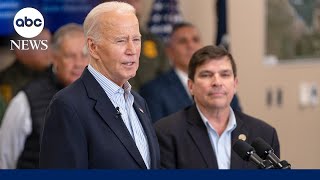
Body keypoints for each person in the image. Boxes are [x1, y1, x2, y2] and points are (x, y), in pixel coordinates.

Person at [39, 2, 160, 169]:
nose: (132, 49)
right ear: (93, 47)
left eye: (136, 39)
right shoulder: (67, 106)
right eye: (121, 40)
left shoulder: (138, 103)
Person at [154, 45, 280, 169]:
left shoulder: (265, 134)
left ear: (235, 84)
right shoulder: (166, 133)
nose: (217, 82)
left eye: (225, 75)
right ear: (191, 86)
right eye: (206, 75)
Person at [0, 23, 89, 169]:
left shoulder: (103, 96)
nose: (78, 63)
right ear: (54, 58)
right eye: (69, 56)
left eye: (84, 55)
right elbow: (5, 159)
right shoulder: (27, 100)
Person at [140, 22, 242, 122]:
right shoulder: (154, 90)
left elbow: (239, 125)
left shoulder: (222, 85)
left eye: (195, 40)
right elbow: (156, 134)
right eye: (183, 41)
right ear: (169, 51)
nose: (190, 45)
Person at [102, 0, 170, 91]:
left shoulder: (154, 41)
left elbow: (166, 80)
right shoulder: (99, 41)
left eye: (136, 0)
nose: (131, 3)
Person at [0, 29, 52, 104]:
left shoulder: (55, 76)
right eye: (41, 45)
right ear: (20, 49)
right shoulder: (7, 82)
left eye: (50, 43)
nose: (49, 50)